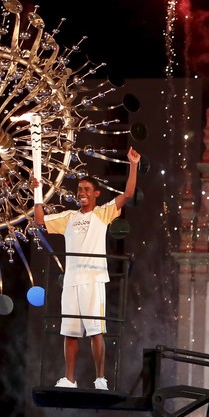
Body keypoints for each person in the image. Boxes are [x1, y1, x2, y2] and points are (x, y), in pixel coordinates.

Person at [34, 147, 141, 390]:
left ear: (96, 194)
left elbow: (128, 193)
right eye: (79, 189)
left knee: (95, 331)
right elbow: (40, 220)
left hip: (93, 279)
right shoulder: (69, 217)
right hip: (71, 280)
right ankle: (70, 379)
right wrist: (37, 190)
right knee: (69, 333)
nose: (81, 193)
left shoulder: (103, 214)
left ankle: (101, 379)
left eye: (86, 190)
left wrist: (133, 165)